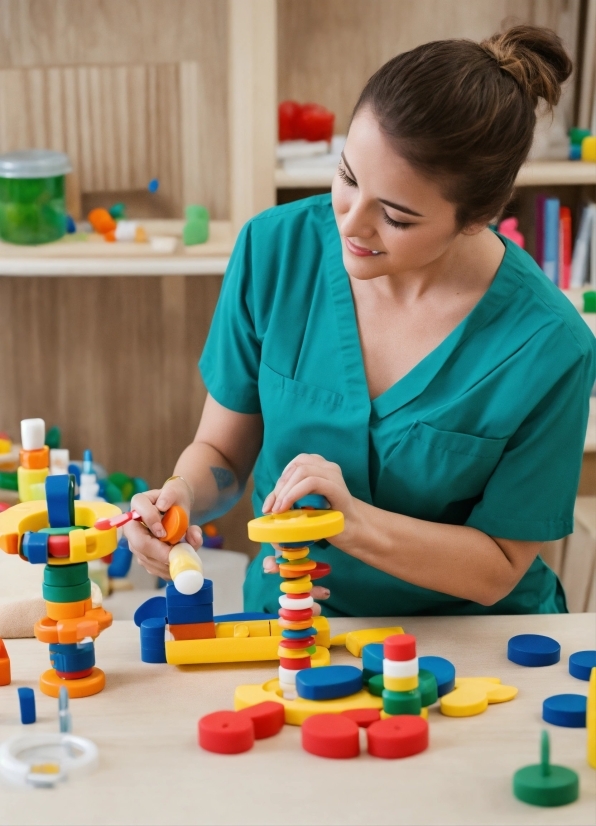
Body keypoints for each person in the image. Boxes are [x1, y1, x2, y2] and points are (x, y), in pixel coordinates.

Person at [126, 25, 596, 617]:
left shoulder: (549, 345)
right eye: (347, 178)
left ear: (476, 218)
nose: (350, 224)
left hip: (474, 648)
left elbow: (500, 566)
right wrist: (183, 497)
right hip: (292, 622)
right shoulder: (274, 250)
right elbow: (222, 452)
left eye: (396, 217)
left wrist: (354, 524)